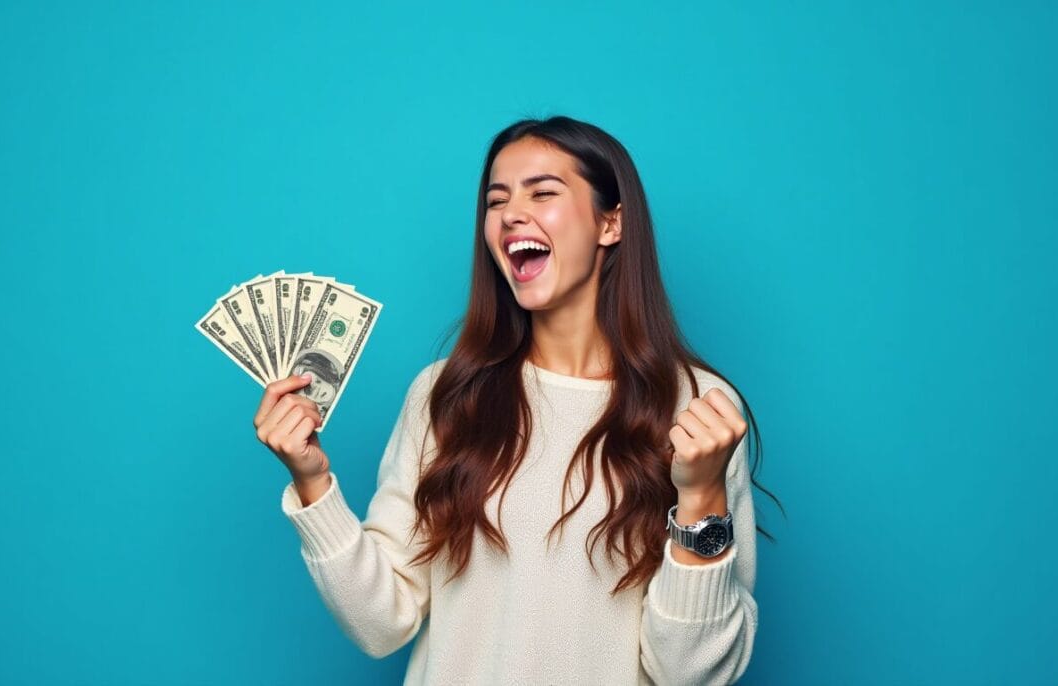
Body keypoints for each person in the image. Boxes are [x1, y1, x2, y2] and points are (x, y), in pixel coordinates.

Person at [252, 115, 779, 685]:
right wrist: (312, 484)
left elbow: (691, 672)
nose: (511, 214)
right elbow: (381, 623)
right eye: (496, 200)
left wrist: (700, 495)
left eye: (543, 193)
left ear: (612, 222)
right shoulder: (445, 396)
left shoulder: (701, 408)